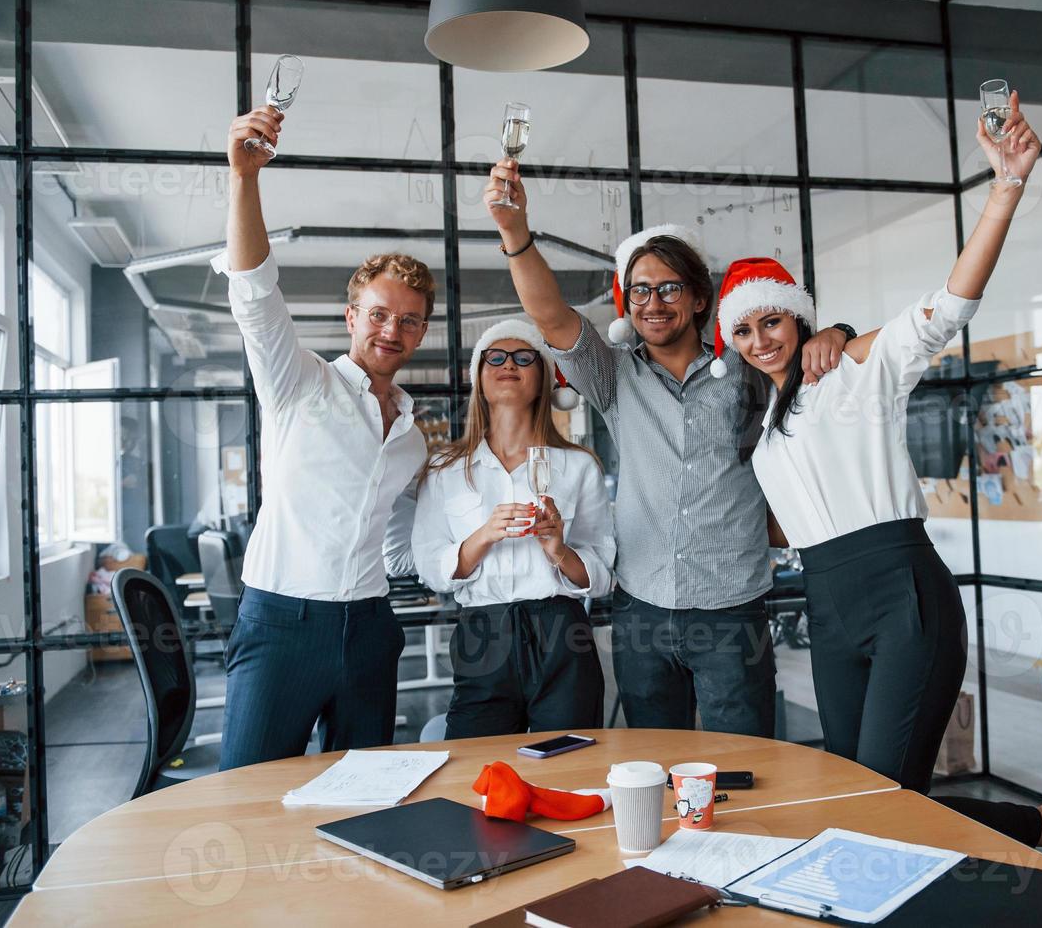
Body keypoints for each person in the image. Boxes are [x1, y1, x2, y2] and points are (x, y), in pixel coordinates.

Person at [716, 91, 1042, 863]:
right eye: (745, 329)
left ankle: (1040, 833)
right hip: (825, 604)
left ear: (799, 318)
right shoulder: (763, 423)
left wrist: (1008, 185)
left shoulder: (857, 370)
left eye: (773, 321)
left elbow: (955, 300)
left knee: (883, 807)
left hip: (902, 595)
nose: (761, 340)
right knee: (862, 801)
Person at [483, 162, 853, 738]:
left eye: (669, 288)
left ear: (700, 297)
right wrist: (515, 233)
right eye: (639, 291)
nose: (653, 302)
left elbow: (810, 354)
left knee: (745, 765)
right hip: (642, 610)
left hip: (734, 608)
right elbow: (549, 316)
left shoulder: (749, 370)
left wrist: (839, 332)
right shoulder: (612, 376)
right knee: (656, 766)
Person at [214, 103, 433, 769]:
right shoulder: (298, 383)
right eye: (378, 315)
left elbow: (404, 541)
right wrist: (244, 179)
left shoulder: (414, 438)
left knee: (363, 799)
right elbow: (253, 294)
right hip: (281, 625)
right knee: (248, 797)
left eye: (410, 321)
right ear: (350, 316)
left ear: (423, 332)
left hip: (371, 628)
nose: (391, 331)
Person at [412, 319, 615, 738]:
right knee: (477, 772)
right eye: (495, 358)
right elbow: (433, 570)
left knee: (568, 768)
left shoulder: (578, 466)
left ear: (541, 378)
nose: (509, 364)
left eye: (525, 358)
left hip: (562, 632)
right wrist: (484, 534)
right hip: (482, 634)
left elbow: (601, 577)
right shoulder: (444, 470)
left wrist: (558, 549)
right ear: (479, 379)